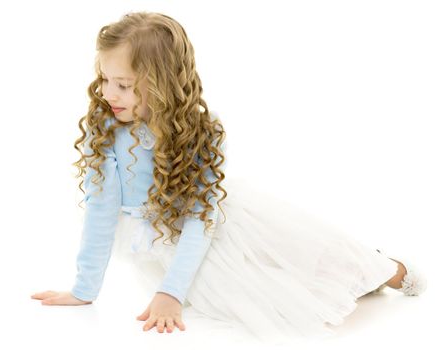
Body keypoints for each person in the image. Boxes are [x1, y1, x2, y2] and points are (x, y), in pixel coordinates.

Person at [30, 11, 427, 345]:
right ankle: (353, 284)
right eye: (104, 80)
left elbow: (201, 217)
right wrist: (84, 290)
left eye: (124, 85)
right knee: (267, 296)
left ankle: (387, 269)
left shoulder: (201, 130)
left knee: (303, 257)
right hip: (165, 246)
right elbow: (100, 212)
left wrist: (171, 290)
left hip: (214, 227)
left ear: (162, 83)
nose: (108, 93)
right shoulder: (106, 131)